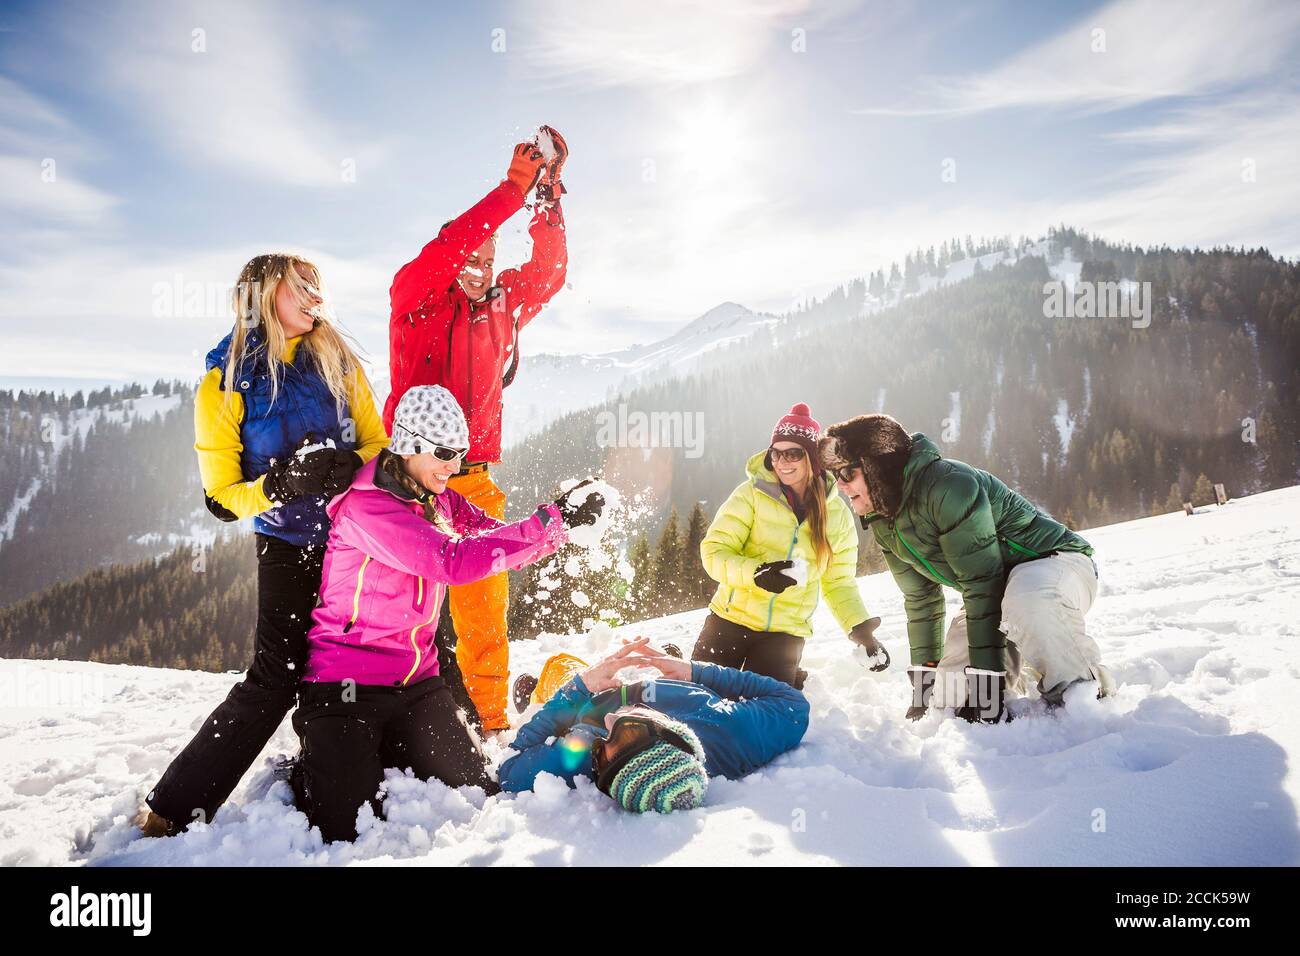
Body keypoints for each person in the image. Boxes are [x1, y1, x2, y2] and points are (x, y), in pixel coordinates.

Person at [140, 254, 388, 836]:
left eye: (316, 286)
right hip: (287, 545)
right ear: (261, 297)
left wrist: (350, 461)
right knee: (277, 677)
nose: (313, 296)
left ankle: (335, 776)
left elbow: (378, 443)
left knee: (353, 666)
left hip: (355, 543)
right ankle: (173, 807)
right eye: (298, 287)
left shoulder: (338, 361)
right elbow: (222, 497)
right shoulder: (224, 380)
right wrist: (279, 485)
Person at [290, 385, 605, 842]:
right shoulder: (368, 508)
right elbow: (452, 561)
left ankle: (382, 746)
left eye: (459, 453)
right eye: (443, 453)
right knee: (343, 825)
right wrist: (547, 526)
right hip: (345, 684)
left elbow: (492, 538)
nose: (454, 466)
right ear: (408, 444)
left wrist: (560, 523)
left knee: (477, 786)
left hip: (416, 684)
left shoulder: (434, 495)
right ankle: (318, 754)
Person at [384, 128, 569, 735]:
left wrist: (547, 197)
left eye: (489, 261)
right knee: (404, 613)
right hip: (405, 482)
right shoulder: (415, 297)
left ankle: (490, 723)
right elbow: (449, 247)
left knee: (484, 614)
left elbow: (548, 271)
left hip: (475, 481)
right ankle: (396, 718)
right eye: (470, 259)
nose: (479, 270)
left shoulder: (504, 304)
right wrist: (511, 189)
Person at [819, 413, 1113, 724]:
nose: (840, 485)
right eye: (835, 475)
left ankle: (1083, 696)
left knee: (1027, 601)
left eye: (848, 473)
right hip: (996, 590)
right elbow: (922, 602)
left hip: (1056, 563)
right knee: (952, 696)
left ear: (880, 468)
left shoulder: (949, 487)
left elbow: (982, 585)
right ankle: (1019, 672)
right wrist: (924, 691)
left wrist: (987, 688)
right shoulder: (883, 517)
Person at [693, 402, 888, 689]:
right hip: (729, 621)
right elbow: (713, 552)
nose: (783, 461)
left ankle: (788, 679)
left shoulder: (836, 515)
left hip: (784, 634)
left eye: (793, 453)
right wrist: (755, 573)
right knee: (702, 698)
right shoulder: (750, 495)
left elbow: (838, 583)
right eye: (776, 453)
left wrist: (860, 630)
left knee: (762, 715)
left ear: (812, 458)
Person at [497, 638, 810, 813]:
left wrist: (577, 689)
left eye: (604, 754)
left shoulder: (581, 758)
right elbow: (793, 704)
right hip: (669, 682)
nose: (608, 724)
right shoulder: (729, 731)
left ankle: (536, 696)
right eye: (629, 729)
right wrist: (696, 672)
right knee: (663, 656)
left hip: (590, 698)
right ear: (671, 733)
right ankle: (672, 658)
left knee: (560, 666)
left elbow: (508, 767)